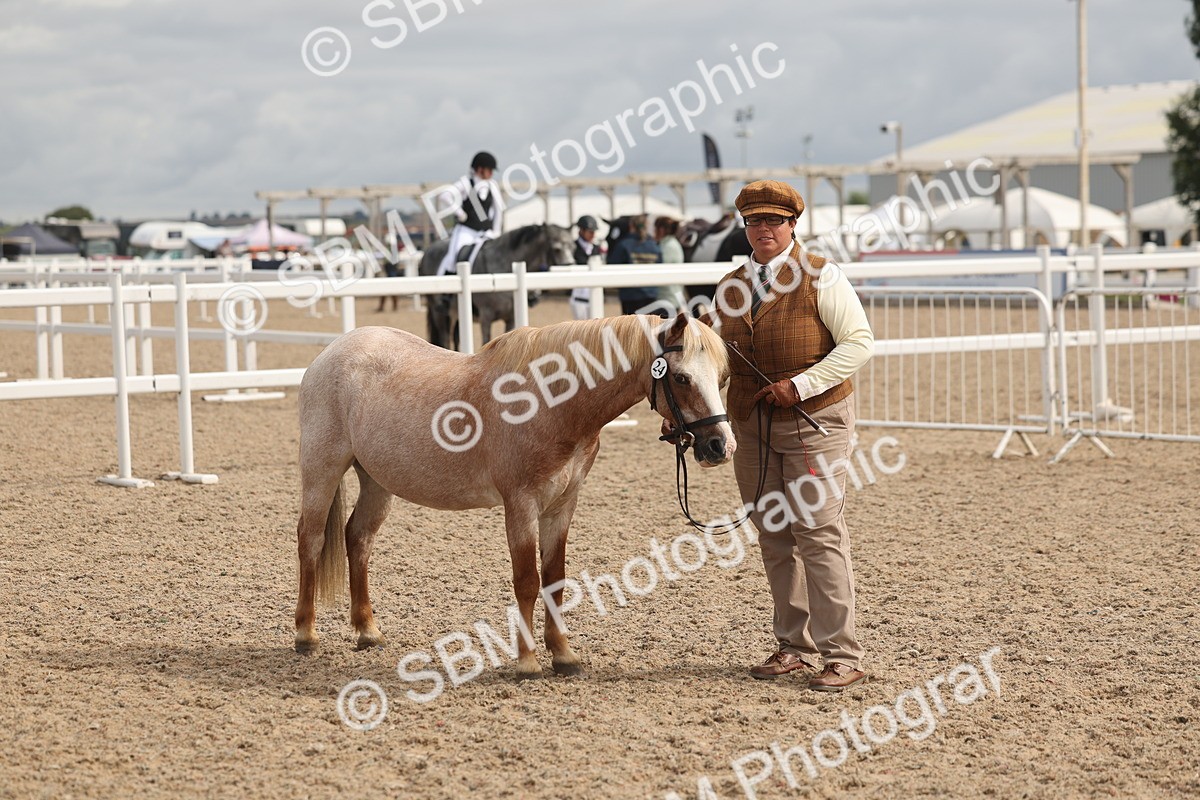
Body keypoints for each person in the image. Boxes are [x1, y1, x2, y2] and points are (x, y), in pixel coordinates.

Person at [708, 179, 874, 692]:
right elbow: (717, 360)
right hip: (751, 426)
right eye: (754, 222)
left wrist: (801, 385)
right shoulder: (730, 287)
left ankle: (843, 652)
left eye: (773, 221)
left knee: (819, 531)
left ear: (792, 226)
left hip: (814, 422)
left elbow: (859, 343)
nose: (763, 230)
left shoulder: (823, 277)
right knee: (774, 536)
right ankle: (792, 646)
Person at [436, 151, 502, 277]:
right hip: (466, 231)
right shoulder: (466, 183)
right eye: (490, 170)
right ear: (480, 169)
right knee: (453, 257)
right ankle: (446, 291)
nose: (492, 173)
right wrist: (459, 212)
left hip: (486, 232)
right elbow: (445, 195)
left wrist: (497, 231)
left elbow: (498, 210)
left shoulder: (493, 186)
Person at [608, 214, 663, 316]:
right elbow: (660, 266)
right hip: (650, 294)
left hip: (630, 296)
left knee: (631, 330)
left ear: (631, 226)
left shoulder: (623, 244)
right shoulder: (654, 246)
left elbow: (612, 265)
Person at [569, 215, 604, 320]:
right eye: (590, 231)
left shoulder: (596, 248)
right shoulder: (573, 247)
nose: (593, 234)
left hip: (594, 294)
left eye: (594, 232)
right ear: (581, 230)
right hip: (578, 295)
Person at [653, 215, 687, 314]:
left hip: (668, 297)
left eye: (655, 228)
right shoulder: (669, 244)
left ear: (661, 229)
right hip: (670, 297)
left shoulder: (668, 247)